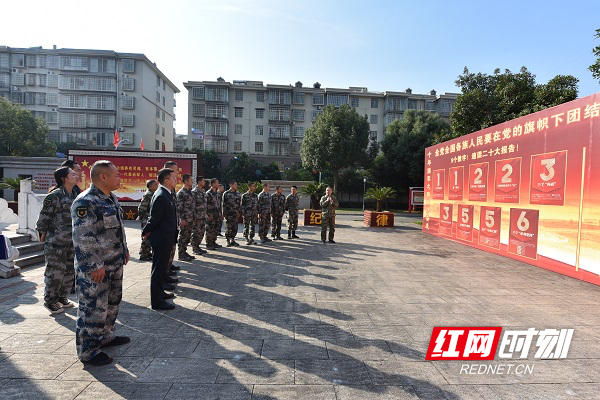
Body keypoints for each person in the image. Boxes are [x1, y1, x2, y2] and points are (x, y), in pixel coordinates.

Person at [72, 160, 130, 366]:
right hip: (97, 268)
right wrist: (94, 265)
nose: (119, 178)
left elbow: (116, 229)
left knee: (112, 304)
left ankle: (106, 336)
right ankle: (88, 351)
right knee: (93, 308)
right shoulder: (86, 201)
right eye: (116, 175)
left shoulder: (111, 198)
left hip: (114, 263)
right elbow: (83, 237)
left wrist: (124, 250)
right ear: (103, 177)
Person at [36, 166, 78, 314]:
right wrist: (42, 232)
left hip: (71, 241)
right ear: (63, 178)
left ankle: (62, 297)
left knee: (68, 270)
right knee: (55, 271)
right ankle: (50, 301)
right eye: (73, 174)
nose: (76, 175)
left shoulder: (75, 195)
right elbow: (43, 218)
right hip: (56, 242)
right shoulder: (54, 196)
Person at [142, 168, 178, 311]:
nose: (176, 180)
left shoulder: (166, 194)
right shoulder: (161, 195)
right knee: (158, 270)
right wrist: (146, 231)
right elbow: (154, 218)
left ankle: (160, 293)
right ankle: (157, 301)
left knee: (162, 268)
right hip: (161, 238)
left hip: (166, 236)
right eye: (174, 178)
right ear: (166, 180)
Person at [163, 161, 180, 285]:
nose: (178, 172)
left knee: (170, 251)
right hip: (165, 229)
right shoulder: (162, 189)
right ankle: (164, 276)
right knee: (164, 256)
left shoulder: (171, 188)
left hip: (172, 226)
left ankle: (167, 270)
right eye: (176, 170)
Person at [176, 174, 196, 261]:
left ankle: (184, 251)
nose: (192, 181)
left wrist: (194, 217)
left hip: (191, 218)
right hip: (185, 219)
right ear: (186, 181)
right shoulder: (181, 193)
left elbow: (192, 206)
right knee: (183, 236)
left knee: (188, 236)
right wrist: (182, 219)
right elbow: (179, 207)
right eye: (191, 180)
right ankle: (181, 254)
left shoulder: (190, 192)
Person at [137, 179, 158, 261]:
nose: (157, 186)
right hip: (146, 219)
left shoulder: (153, 194)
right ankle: (143, 254)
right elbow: (141, 208)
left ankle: (147, 253)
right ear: (150, 186)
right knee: (146, 238)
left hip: (150, 219)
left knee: (150, 237)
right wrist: (142, 218)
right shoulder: (148, 195)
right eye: (155, 185)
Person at [190, 176, 208, 255]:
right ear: (199, 182)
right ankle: (195, 248)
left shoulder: (203, 191)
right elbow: (192, 205)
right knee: (196, 233)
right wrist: (193, 217)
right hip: (197, 217)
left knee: (201, 232)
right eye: (203, 181)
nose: (204, 182)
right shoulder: (194, 192)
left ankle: (198, 246)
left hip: (203, 216)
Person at [222, 180, 242, 247]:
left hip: (235, 213)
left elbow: (239, 204)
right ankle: (228, 240)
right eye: (235, 184)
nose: (236, 186)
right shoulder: (226, 193)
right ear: (231, 185)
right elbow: (223, 204)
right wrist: (224, 213)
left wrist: (239, 212)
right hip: (229, 214)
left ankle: (233, 240)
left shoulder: (238, 194)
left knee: (235, 228)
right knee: (229, 228)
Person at [205, 178, 222, 250]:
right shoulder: (208, 193)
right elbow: (205, 205)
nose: (218, 184)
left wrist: (221, 213)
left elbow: (220, 204)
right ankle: (209, 244)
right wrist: (208, 215)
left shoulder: (218, 194)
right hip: (211, 215)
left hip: (217, 215)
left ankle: (213, 242)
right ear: (213, 184)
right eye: (217, 183)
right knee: (210, 229)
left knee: (215, 229)